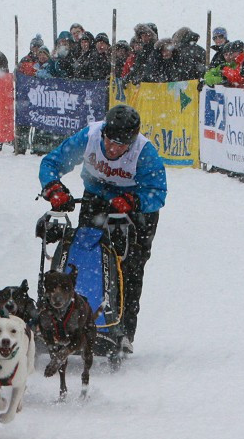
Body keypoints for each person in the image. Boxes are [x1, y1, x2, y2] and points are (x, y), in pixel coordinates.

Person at [38, 105, 167, 354]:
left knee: (129, 266)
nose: (113, 148)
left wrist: (133, 201)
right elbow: (52, 162)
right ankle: (78, 320)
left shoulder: (144, 152)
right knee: (86, 259)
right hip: (97, 196)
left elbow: (158, 191)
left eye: (121, 145)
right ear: (104, 133)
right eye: (110, 141)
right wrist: (54, 188)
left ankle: (124, 330)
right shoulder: (89, 137)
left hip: (136, 208)